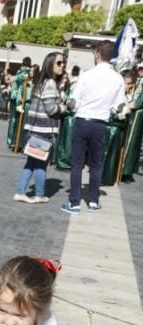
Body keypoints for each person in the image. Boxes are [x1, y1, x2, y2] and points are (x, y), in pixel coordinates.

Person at [61, 40, 125, 215]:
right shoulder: (118, 78)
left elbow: (73, 102)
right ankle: (94, 202)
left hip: (82, 121)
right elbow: (119, 106)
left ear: (97, 54)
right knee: (96, 165)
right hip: (100, 124)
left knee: (76, 164)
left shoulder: (86, 75)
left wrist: (69, 105)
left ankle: (74, 203)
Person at [14, 52, 66, 204]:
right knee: (41, 164)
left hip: (34, 130)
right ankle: (39, 194)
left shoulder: (41, 81)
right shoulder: (50, 83)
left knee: (31, 163)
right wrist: (63, 107)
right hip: (44, 131)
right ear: (50, 64)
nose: (62, 65)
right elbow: (51, 109)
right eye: (59, 63)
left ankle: (21, 191)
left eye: (63, 63)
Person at [7, 57, 31, 148]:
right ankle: (17, 142)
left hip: (17, 98)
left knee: (15, 120)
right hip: (22, 99)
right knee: (20, 122)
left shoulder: (22, 73)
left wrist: (13, 78)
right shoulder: (26, 73)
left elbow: (13, 80)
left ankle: (13, 141)